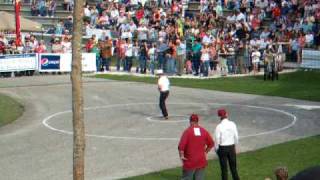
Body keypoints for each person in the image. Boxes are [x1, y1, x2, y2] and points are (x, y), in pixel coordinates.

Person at [178, 114, 214, 180]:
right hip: (201, 160)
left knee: (187, 178)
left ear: (190, 121)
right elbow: (211, 143)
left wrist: (181, 156)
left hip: (190, 161)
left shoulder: (187, 131)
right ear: (197, 121)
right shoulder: (204, 131)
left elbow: (181, 146)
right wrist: (205, 152)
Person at [214, 109, 240, 180]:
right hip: (231, 147)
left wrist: (216, 149)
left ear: (219, 116)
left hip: (222, 148)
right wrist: (234, 146)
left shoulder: (219, 126)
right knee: (234, 168)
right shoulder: (232, 124)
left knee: (224, 169)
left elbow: (217, 140)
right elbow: (236, 137)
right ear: (226, 114)